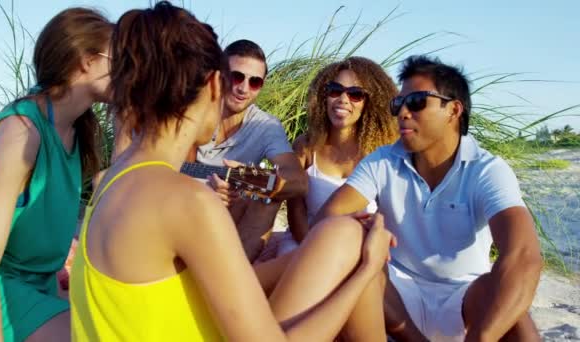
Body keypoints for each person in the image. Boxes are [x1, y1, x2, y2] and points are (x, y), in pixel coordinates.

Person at [69, 2, 395, 341]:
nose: (239, 89)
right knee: (356, 253)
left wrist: (328, 248)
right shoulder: (189, 202)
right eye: (232, 79)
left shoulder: (114, 182)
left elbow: (180, 289)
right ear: (214, 85)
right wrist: (365, 271)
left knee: (342, 236)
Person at [315, 55, 543, 341]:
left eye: (418, 101)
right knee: (351, 261)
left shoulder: (486, 170)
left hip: (463, 296)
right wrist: (363, 230)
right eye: (398, 104)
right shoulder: (383, 161)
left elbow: (524, 255)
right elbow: (328, 217)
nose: (403, 113)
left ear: (454, 110)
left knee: (513, 311)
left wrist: (482, 337)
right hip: (396, 293)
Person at [0, 8, 112, 342]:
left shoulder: (78, 129)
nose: (133, 71)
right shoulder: (22, 132)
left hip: (44, 283)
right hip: (0, 288)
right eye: (122, 59)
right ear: (85, 60)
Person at [196, 39, 308, 261]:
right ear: (219, 74)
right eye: (236, 76)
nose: (243, 88)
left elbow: (298, 181)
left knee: (268, 197)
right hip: (181, 202)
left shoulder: (265, 125)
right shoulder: (191, 108)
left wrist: (244, 178)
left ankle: (232, 279)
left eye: (254, 82)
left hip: (228, 213)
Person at [282, 56, 399, 254]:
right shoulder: (306, 145)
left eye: (355, 94)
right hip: (304, 241)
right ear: (323, 96)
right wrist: (310, 249)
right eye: (335, 90)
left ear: (371, 103)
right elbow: (296, 211)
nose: (343, 100)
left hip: (356, 247)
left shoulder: (384, 155)